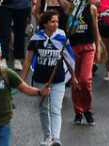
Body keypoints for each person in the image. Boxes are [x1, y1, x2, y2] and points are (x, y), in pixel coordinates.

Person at [28, 9, 77, 146]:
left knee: (56, 108)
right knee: (44, 110)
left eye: (57, 21)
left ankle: (56, 139)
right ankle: (47, 137)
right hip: (40, 80)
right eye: (52, 21)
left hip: (58, 80)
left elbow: (68, 59)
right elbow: (28, 60)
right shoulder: (36, 39)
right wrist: (22, 80)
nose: (56, 24)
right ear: (45, 24)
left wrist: (73, 76)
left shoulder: (62, 39)